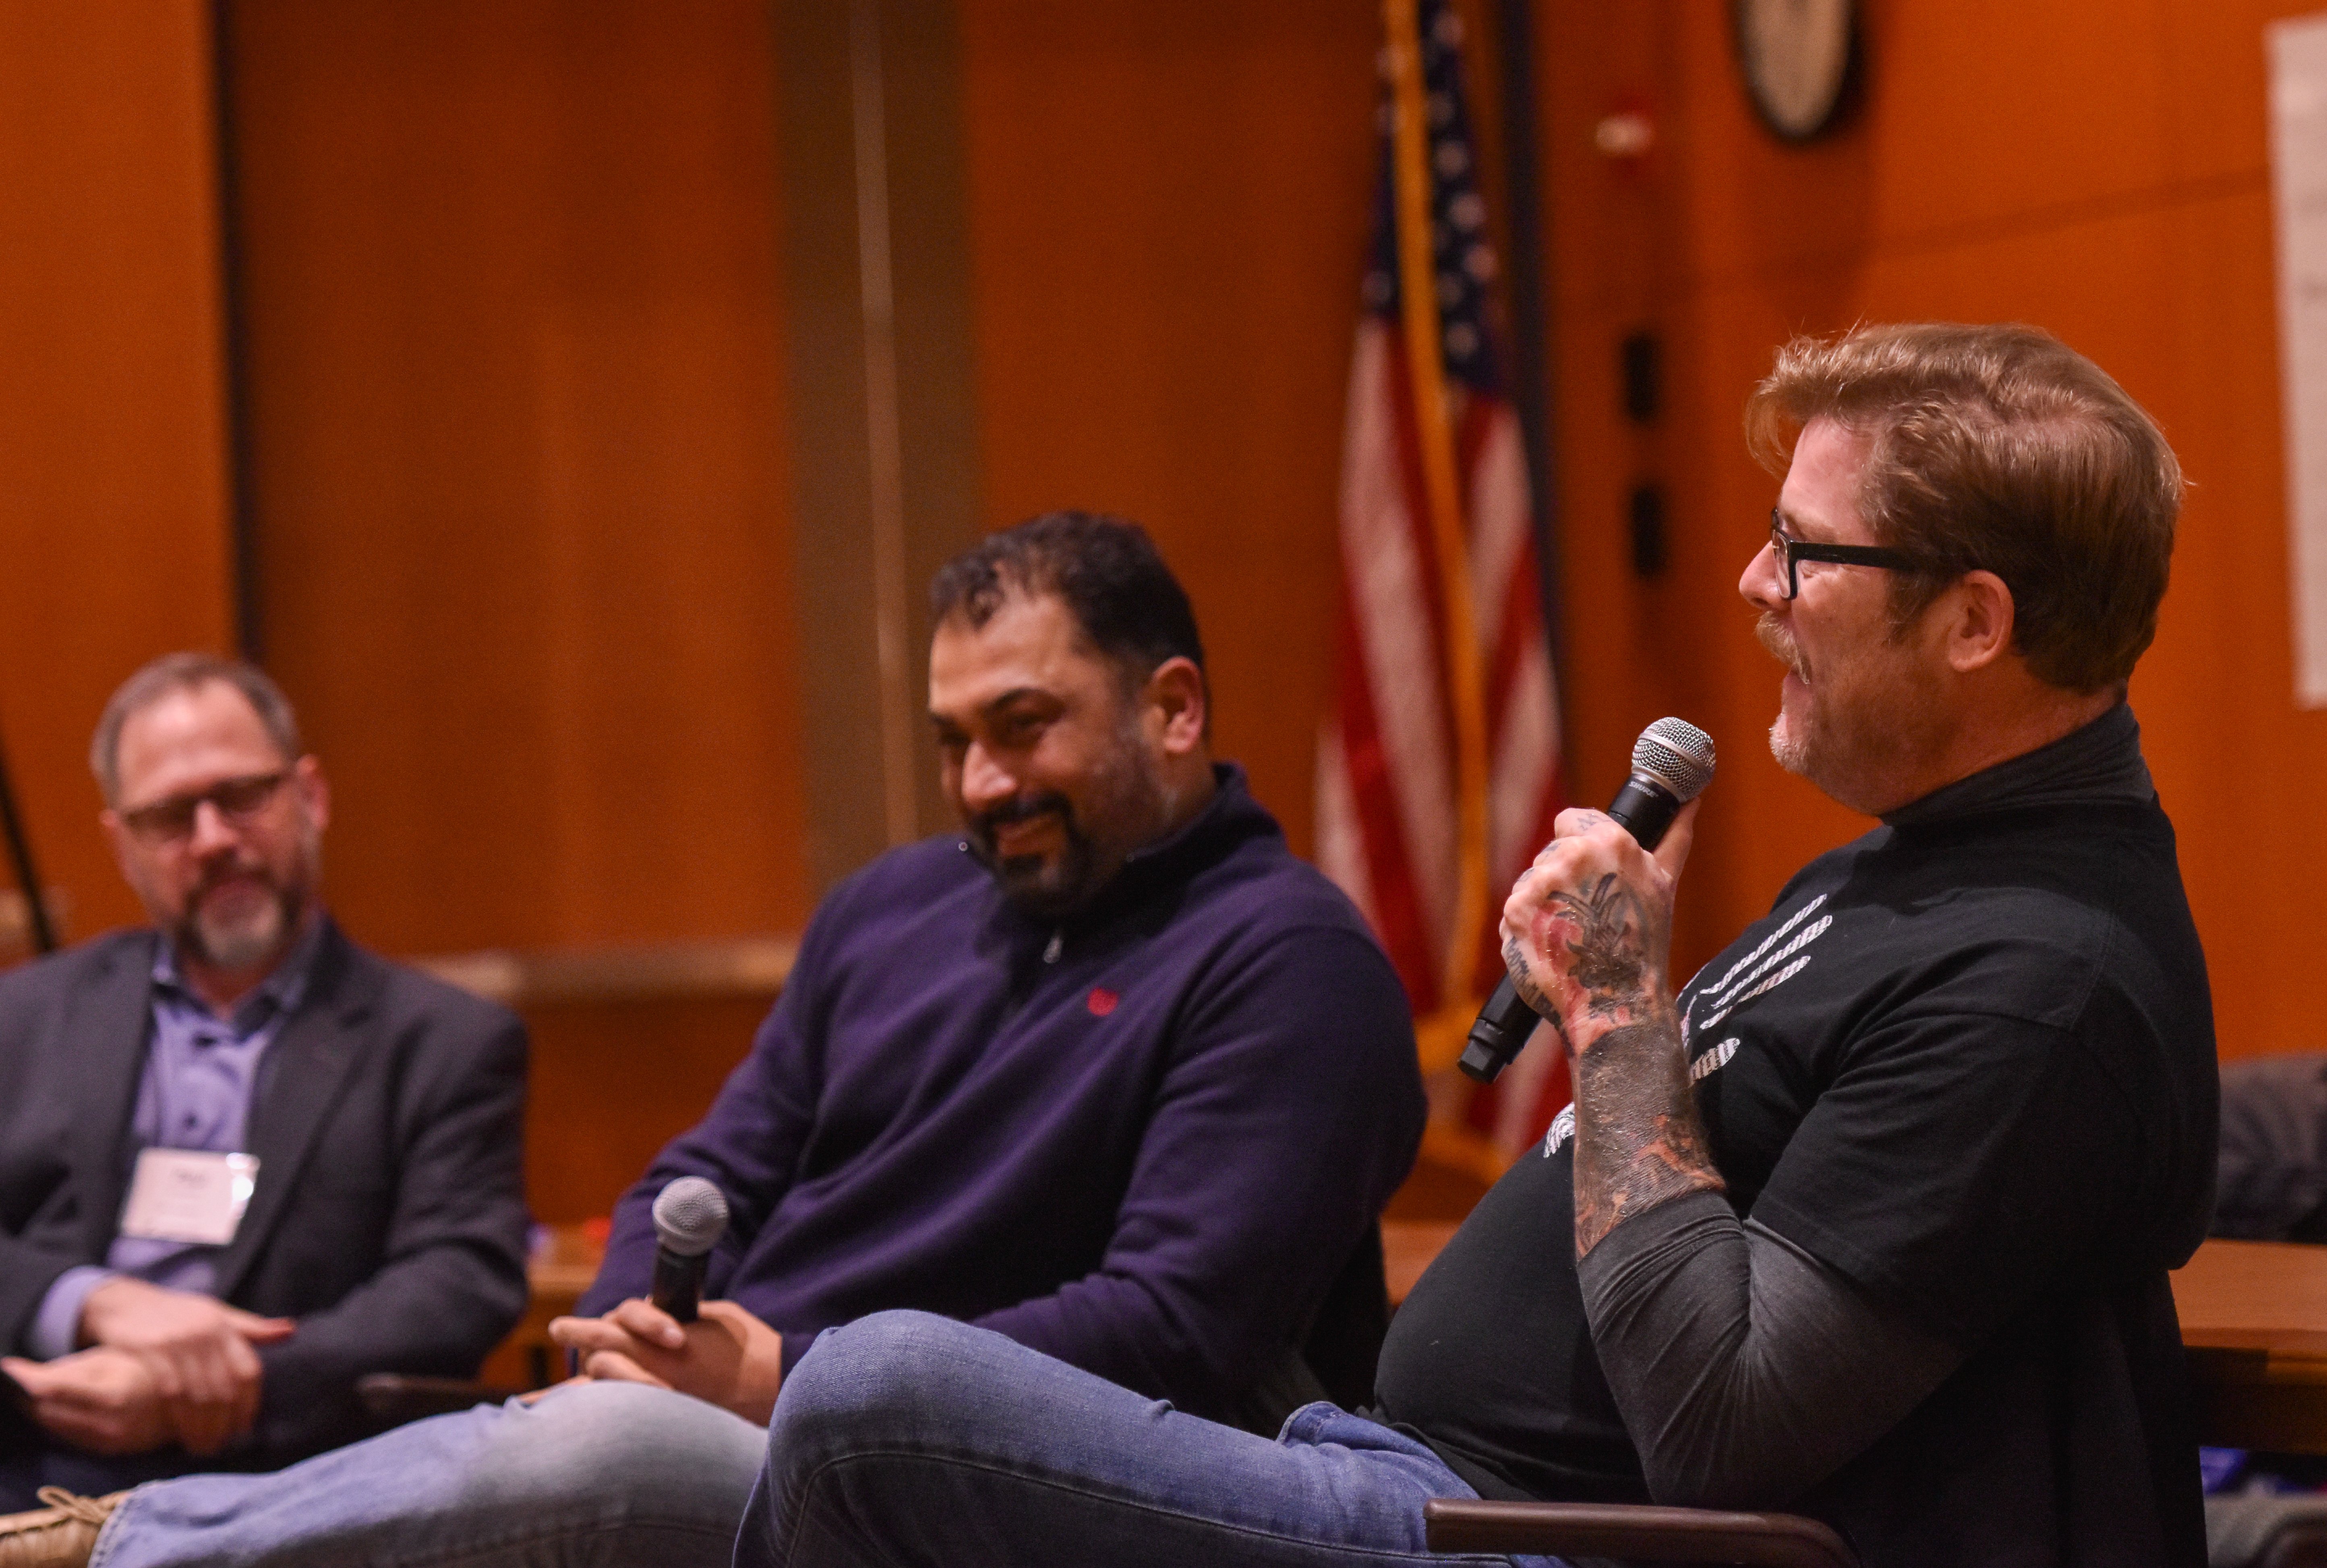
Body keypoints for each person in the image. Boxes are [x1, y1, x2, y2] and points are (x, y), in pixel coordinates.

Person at [709, 323, 2213, 1568]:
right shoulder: (1911, 869)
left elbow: (1721, 1423)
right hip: (1402, 1465)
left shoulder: (2043, 979)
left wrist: (1620, 1013)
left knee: (872, 1398)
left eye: (1804, 551)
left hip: (1525, 1537)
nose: (1755, 584)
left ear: (1970, 621)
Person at [23, 513, 1426, 1568]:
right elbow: (712, 1166)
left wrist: (779, 1375)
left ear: (1172, 709)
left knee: (610, 1438)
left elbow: (1172, 1325)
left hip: (960, 1475)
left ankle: (120, 1546)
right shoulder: (892, 908)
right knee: (612, 1413)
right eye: (951, 740)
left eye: (1024, 726)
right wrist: (646, 1321)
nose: (983, 784)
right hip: (731, 1408)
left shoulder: (1287, 961)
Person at [0, 655, 530, 1511]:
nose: (213, 838)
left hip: (308, 1484)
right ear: (122, 847)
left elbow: (460, 1281)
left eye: (242, 796)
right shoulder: (22, 1019)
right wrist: (93, 1302)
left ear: (309, 798)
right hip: (33, 1466)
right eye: (171, 817)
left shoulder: (443, 1041)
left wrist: (226, 1380)